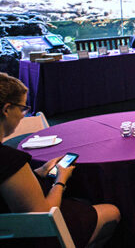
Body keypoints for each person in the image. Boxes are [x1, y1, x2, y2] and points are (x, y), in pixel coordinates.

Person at [0, 72, 120, 248]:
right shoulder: (9, 160)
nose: (23, 115)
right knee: (113, 212)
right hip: (33, 236)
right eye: (22, 109)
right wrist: (60, 180)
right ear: (6, 109)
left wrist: (38, 173)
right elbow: (44, 217)